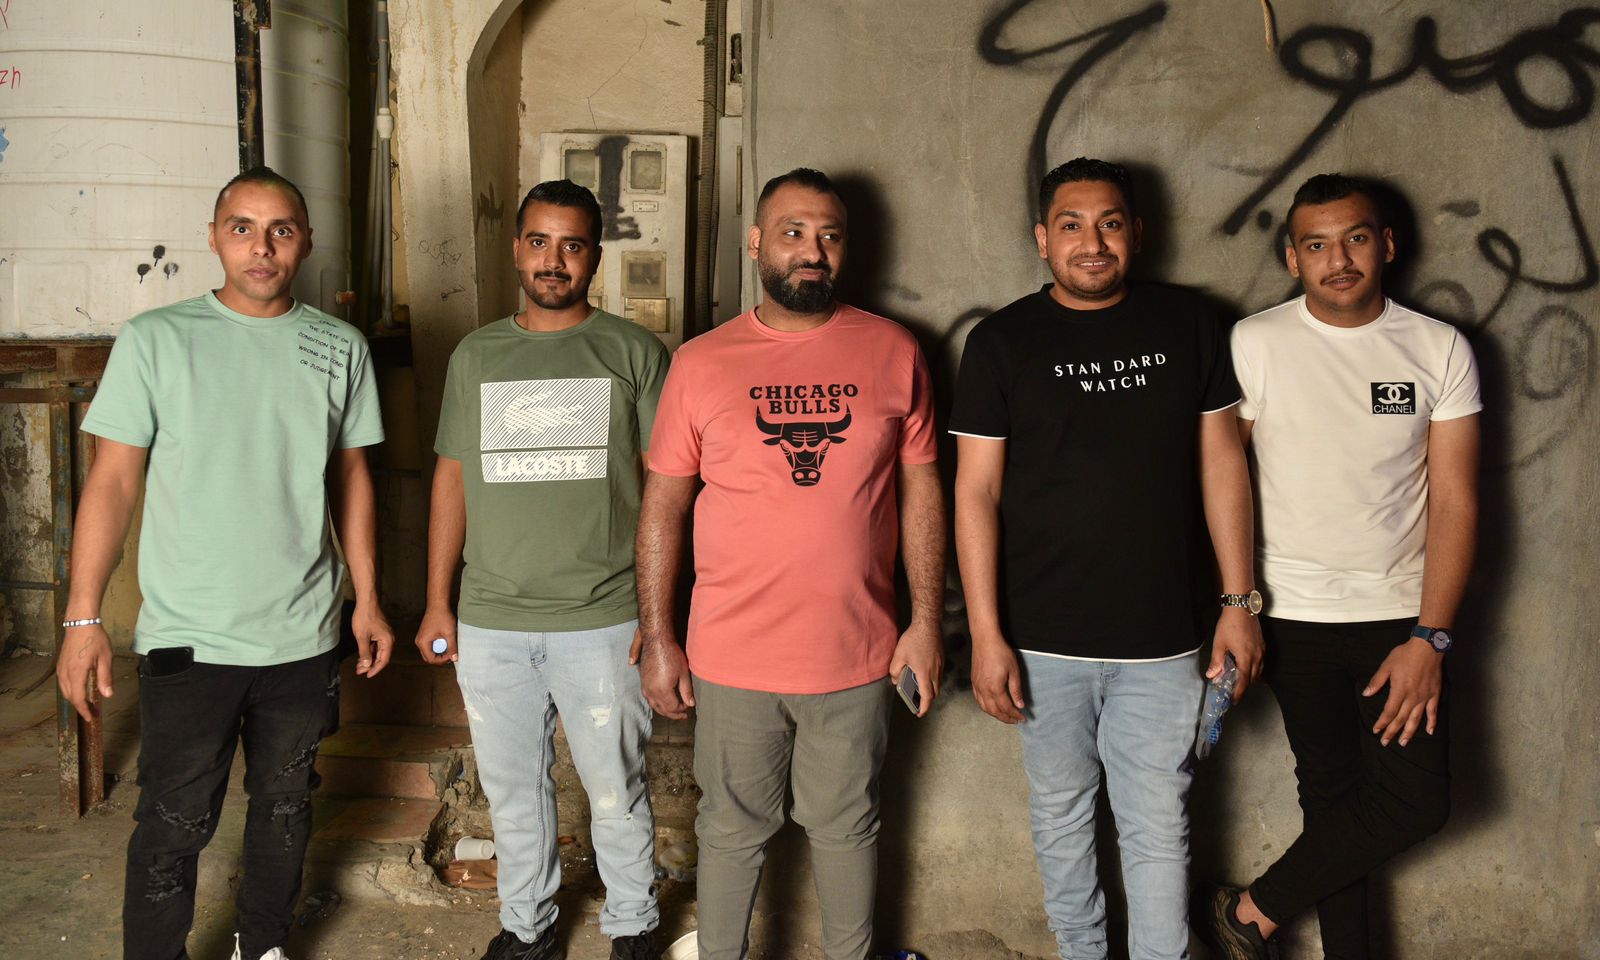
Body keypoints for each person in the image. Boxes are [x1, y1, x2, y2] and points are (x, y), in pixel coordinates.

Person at [56, 166, 393, 960]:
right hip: (191, 638)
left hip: (303, 636)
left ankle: (263, 946)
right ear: (213, 237)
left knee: (284, 808)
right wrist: (82, 618)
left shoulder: (339, 346)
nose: (261, 247)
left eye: (281, 230)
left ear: (305, 242)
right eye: (242, 228)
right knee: (174, 821)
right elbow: (112, 482)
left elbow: (351, 479)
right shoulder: (156, 339)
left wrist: (368, 599)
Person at [949, 157, 1263, 960]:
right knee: (1061, 815)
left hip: (1164, 639)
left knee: (1158, 821)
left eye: (1110, 223)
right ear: (1041, 239)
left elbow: (1223, 464)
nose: (1092, 243)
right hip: (1040, 639)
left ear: (1137, 233)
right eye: (1072, 225)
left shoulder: (1189, 325)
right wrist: (985, 635)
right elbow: (975, 493)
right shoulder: (1001, 342)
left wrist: (1239, 603)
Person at [633, 167, 945, 960]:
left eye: (829, 235)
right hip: (732, 655)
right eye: (793, 233)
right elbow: (664, 506)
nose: (813, 250)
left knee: (848, 826)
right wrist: (660, 636)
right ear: (756, 244)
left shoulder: (894, 350)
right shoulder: (702, 363)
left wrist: (924, 623)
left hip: (856, 653)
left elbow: (921, 491)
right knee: (730, 829)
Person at [1197, 174, 1478, 960]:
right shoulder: (1254, 343)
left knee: (1414, 801)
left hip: (1399, 620)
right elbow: (1219, 475)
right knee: (1331, 800)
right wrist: (1235, 604)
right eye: (1316, 245)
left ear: (1386, 245)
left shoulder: (1438, 347)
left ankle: (1250, 912)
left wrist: (1431, 636)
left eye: (1355, 238)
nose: (1339, 259)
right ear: (1294, 258)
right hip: (1291, 616)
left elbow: (1457, 502)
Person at [415, 179, 669, 960]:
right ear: (516, 249)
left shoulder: (633, 352)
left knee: (615, 789)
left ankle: (633, 926)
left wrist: (661, 615)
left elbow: (669, 488)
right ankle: (527, 932)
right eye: (538, 242)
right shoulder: (476, 355)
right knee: (513, 795)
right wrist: (437, 601)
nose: (553, 260)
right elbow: (452, 478)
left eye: (572, 245)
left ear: (594, 256)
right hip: (492, 620)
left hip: (604, 618)